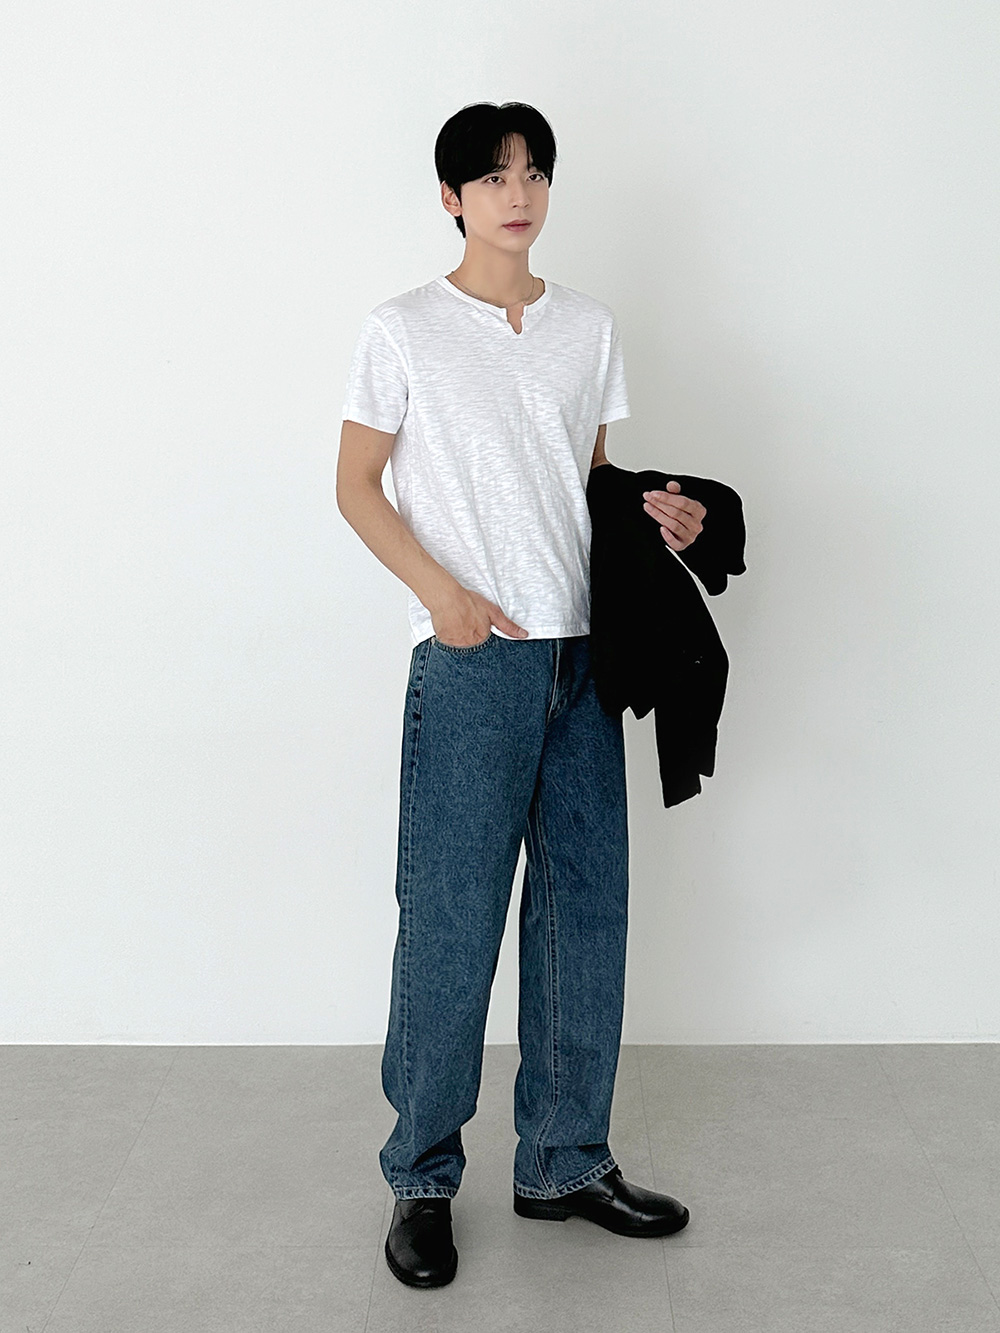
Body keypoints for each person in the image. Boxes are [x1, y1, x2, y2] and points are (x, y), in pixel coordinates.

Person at [336, 101, 696, 1290]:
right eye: (492, 177)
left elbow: (581, 478)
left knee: (584, 912)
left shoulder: (586, 327)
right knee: (451, 921)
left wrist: (653, 507)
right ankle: (421, 1177)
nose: (518, 194)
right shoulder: (401, 328)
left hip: (584, 654)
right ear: (450, 198)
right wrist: (440, 595)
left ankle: (563, 1160)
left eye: (533, 172)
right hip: (473, 656)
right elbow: (355, 483)